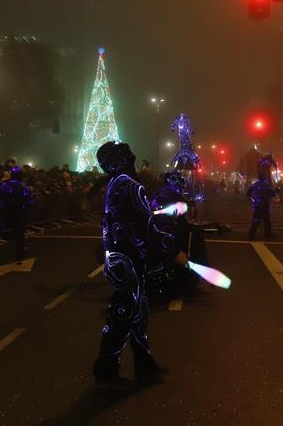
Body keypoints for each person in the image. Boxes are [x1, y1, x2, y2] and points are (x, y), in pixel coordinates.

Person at [92, 141, 186, 384]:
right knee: (124, 312)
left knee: (137, 312)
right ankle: (106, 367)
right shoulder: (131, 186)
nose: (134, 157)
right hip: (130, 260)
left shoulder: (114, 184)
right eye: (128, 154)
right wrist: (171, 248)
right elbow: (147, 228)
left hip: (118, 258)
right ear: (119, 160)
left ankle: (144, 362)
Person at [0, 166, 32, 264]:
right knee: (19, 234)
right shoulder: (24, 187)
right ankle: (20, 254)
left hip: (5, 214)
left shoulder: (6, 185)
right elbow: (29, 201)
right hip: (18, 214)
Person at [247, 155, 278, 239]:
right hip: (264, 205)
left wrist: (253, 199)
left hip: (257, 205)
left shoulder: (255, 184)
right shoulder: (266, 185)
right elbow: (272, 194)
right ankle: (267, 234)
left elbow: (248, 193)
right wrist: (276, 191)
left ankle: (252, 234)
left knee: (256, 220)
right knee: (266, 221)